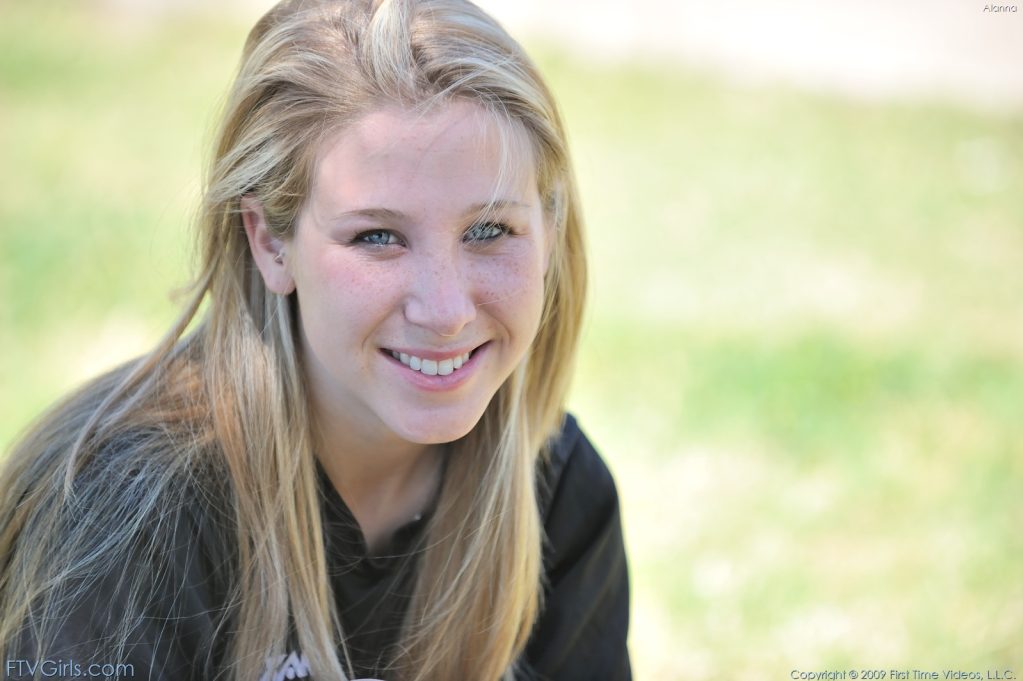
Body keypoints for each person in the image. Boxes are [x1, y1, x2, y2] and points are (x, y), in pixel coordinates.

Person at [0, 0, 630, 679]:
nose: (445, 309)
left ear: (548, 227)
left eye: (489, 230)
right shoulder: (130, 509)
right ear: (269, 240)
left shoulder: (554, 482)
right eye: (377, 237)